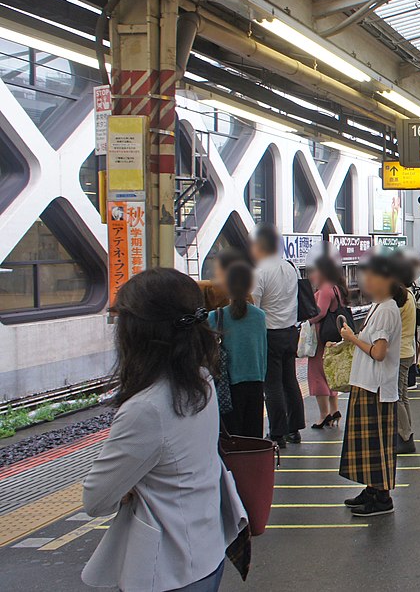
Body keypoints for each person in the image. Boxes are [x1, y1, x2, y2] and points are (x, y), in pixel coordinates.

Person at [82, 269, 246, 592]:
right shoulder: (201, 380)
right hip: (207, 550)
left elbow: (95, 499)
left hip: (167, 570)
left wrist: (131, 483)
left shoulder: (146, 409)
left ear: (140, 333)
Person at [337, 254, 404, 517]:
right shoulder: (380, 305)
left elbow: (379, 353)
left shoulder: (387, 309)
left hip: (376, 387)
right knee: (369, 445)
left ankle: (382, 497)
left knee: (375, 444)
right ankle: (373, 489)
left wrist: (352, 338)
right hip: (367, 384)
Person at [251, 224, 304, 450]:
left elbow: (254, 305)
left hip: (269, 332)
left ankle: (277, 432)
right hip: (291, 331)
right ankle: (294, 428)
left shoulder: (259, 271)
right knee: (290, 380)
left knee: (271, 384)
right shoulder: (291, 267)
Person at [210, 262, 267, 438]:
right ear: (250, 286)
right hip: (256, 383)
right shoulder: (260, 316)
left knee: (232, 437)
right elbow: (263, 353)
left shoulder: (215, 317)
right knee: (253, 438)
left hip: (228, 386)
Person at [306, 256, 347, 430]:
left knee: (317, 374)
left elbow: (320, 313)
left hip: (320, 336)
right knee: (328, 372)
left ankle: (324, 415)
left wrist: (306, 320)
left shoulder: (325, 289)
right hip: (331, 336)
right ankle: (335, 410)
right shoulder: (337, 288)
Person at [390, 251, 418, 455]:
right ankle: (406, 432)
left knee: (398, 396)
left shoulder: (400, 299)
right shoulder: (409, 294)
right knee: (403, 396)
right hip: (407, 350)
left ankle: (405, 436)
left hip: (399, 352)